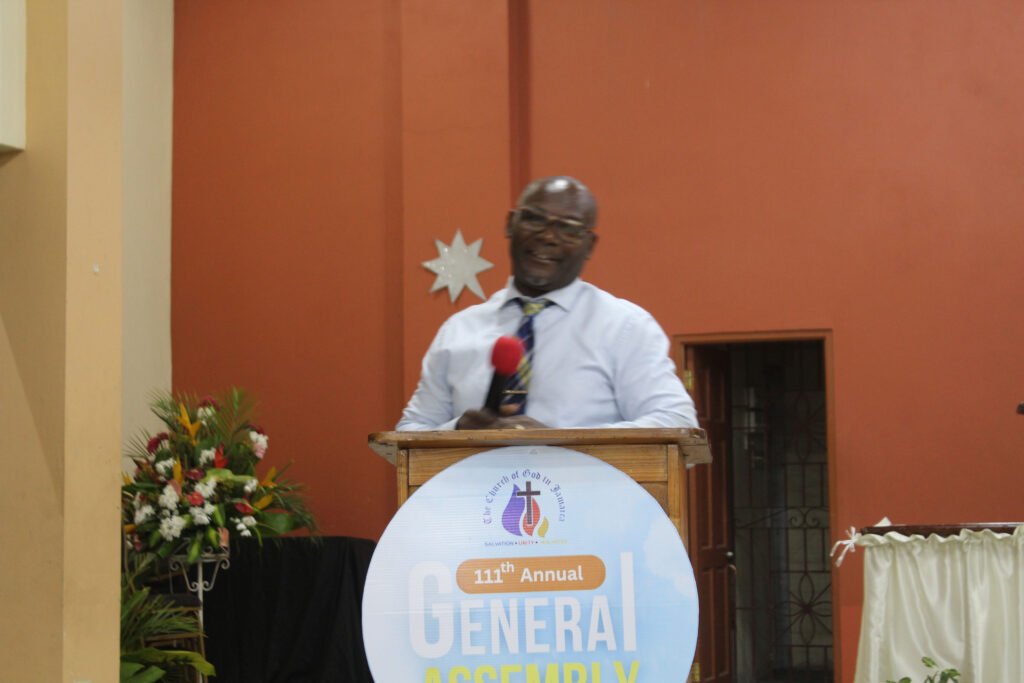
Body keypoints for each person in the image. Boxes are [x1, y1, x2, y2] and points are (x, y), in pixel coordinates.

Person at [397, 176, 698, 431]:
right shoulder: (458, 330)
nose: (548, 237)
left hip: (589, 499)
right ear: (510, 224)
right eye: (535, 219)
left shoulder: (626, 327)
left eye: (569, 228)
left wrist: (559, 443)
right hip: (476, 498)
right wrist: (457, 431)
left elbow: (677, 423)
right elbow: (409, 434)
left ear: (589, 246)